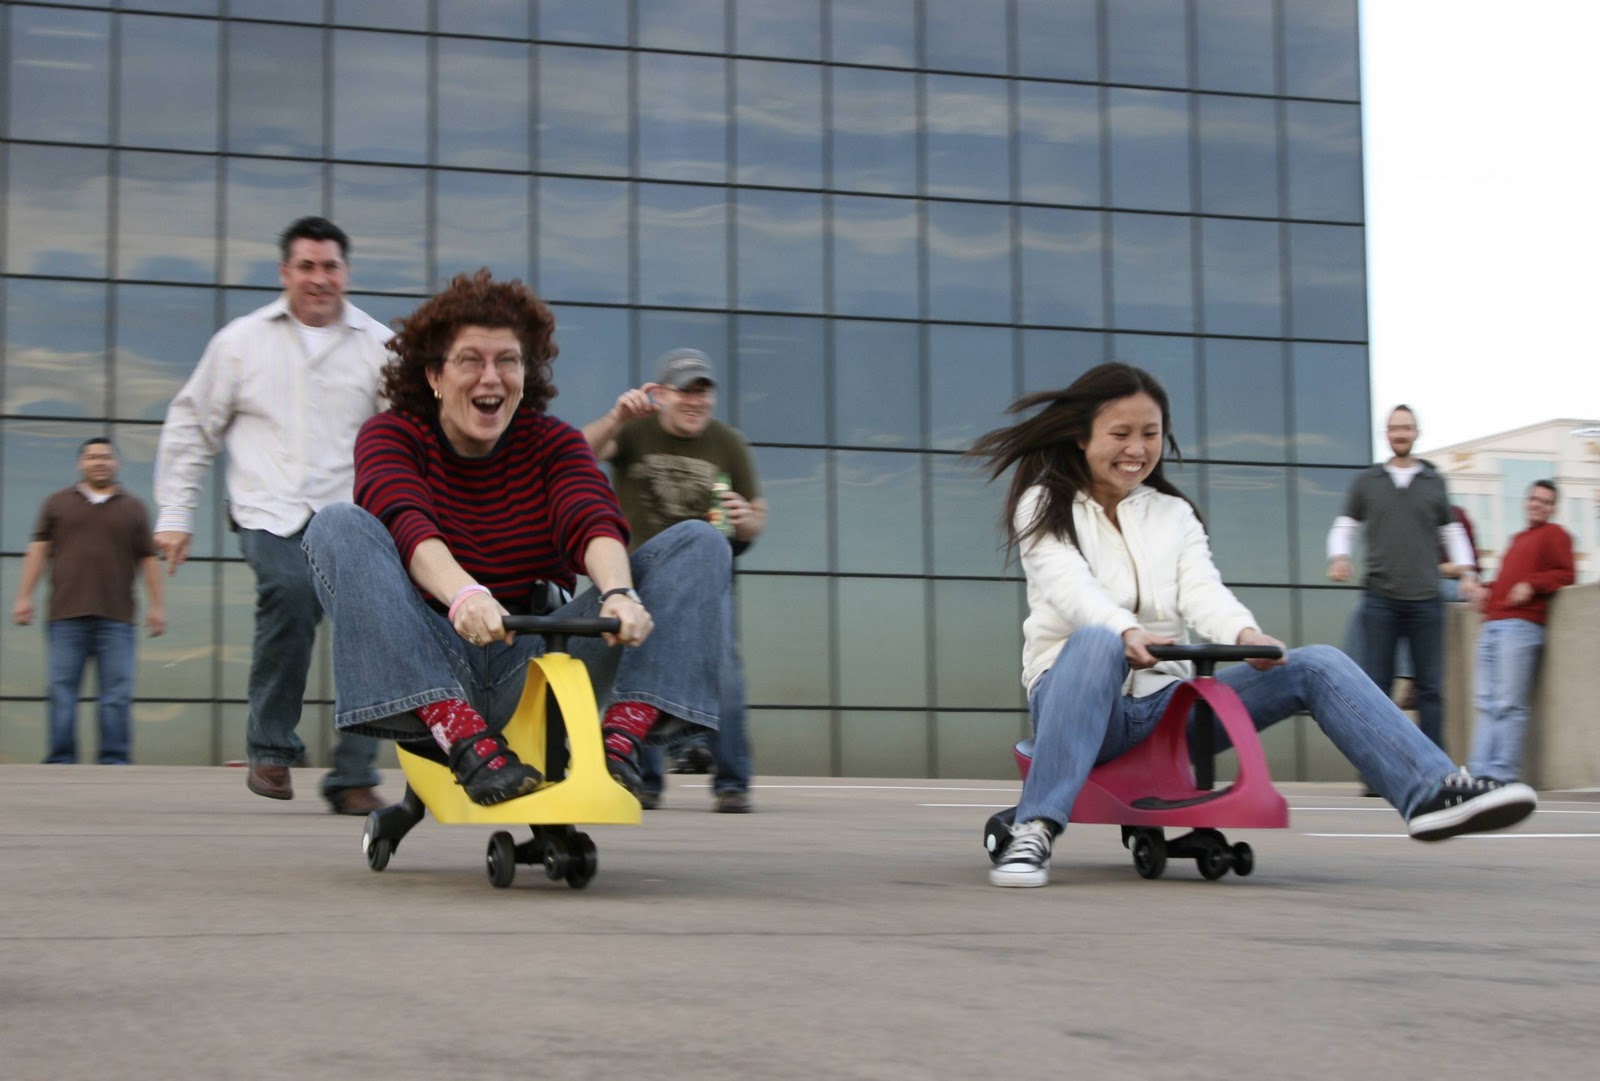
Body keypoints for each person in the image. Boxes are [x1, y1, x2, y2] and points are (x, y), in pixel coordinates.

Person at [968, 363, 1536, 888]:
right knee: (1095, 640)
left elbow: (1202, 589)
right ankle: (1034, 830)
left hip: (1165, 709)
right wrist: (1123, 631)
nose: (1137, 449)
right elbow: (1071, 588)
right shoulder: (1045, 504)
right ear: (1082, 436)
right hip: (1078, 701)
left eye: (1150, 433)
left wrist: (1244, 635)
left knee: (1316, 664)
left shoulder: (1172, 513)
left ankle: (1430, 791)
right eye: (1121, 433)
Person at [300, 269, 729, 807]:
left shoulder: (553, 442)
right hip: (434, 658)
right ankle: (458, 734)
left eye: (508, 360)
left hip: (537, 660)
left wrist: (619, 592)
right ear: (435, 375)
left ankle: (621, 740)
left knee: (700, 542)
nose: (492, 377)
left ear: (526, 374)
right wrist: (465, 595)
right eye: (470, 360)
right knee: (336, 524)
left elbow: (591, 517)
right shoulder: (392, 435)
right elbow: (404, 520)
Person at [154, 216, 388, 814]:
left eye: (330, 266)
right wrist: (176, 513)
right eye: (307, 266)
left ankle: (353, 775)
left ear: (346, 273)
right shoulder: (240, 342)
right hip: (268, 509)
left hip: (349, 514)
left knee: (374, 621)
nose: (319, 278)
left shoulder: (381, 347)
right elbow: (192, 426)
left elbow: (408, 433)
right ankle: (271, 748)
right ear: (286, 272)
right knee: (290, 592)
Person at [582, 348, 766, 812]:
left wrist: (745, 519)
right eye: (685, 391)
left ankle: (732, 782)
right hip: (639, 573)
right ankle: (644, 780)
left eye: (703, 392)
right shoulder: (634, 432)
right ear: (660, 394)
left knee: (723, 671)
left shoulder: (727, 443)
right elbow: (578, 455)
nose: (695, 401)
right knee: (638, 666)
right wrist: (616, 417)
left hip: (705, 578)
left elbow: (756, 516)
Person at [1326, 405, 1478, 750]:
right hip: (1380, 599)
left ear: (1416, 433)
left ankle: (1435, 769)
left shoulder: (1434, 482)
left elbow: (1452, 532)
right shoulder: (1368, 482)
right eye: (1395, 428)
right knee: (1376, 687)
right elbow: (1345, 526)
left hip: (1426, 600)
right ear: (1387, 434)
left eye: (1406, 428)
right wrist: (1339, 557)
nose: (1400, 434)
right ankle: (1376, 768)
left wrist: (1468, 571)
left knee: (1431, 690)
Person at [12, 438, 166, 764]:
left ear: (116, 464)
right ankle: (61, 760)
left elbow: (148, 559)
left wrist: (157, 606)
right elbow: (37, 552)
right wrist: (24, 597)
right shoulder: (57, 503)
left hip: (117, 618)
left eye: (106, 457)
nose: (100, 462)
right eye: (93, 457)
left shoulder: (134, 507)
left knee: (116, 695)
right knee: (62, 692)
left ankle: (114, 761)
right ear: (81, 463)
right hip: (65, 615)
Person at [1468, 480, 1575, 783]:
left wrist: (1533, 584)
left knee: (1509, 704)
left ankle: (1501, 774)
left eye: (1546, 502)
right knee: (1486, 703)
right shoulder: (1517, 539)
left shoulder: (1556, 534)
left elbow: (1566, 574)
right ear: (1526, 502)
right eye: (1534, 499)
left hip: (1521, 626)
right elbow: (1507, 580)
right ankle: (1478, 773)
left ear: (1553, 508)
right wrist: (1486, 588)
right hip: (1492, 624)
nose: (1538, 505)